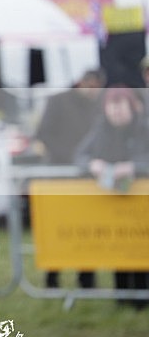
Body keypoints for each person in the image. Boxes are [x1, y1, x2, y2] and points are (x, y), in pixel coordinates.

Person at [74, 85, 149, 308]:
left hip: (142, 203)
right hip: (112, 202)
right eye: (111, 107)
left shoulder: (144, 128)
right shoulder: (100, 129)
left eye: (120, 107)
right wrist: (92, 164)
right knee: (121, 249)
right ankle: (123, 297)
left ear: (131, 107)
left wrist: (133, 167)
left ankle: (143, 297)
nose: (116, 112)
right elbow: (79, 155)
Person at [34, 69, 104, 289]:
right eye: (91, 87)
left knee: (87, 229)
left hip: (87, 177)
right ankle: (52, 278)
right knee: (57, 228)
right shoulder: (58, 101)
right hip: (59, 174)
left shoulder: (98, 104)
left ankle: (87, 279)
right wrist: (69, 157)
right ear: (82, 82)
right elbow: (43, 133)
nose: (93, 92)